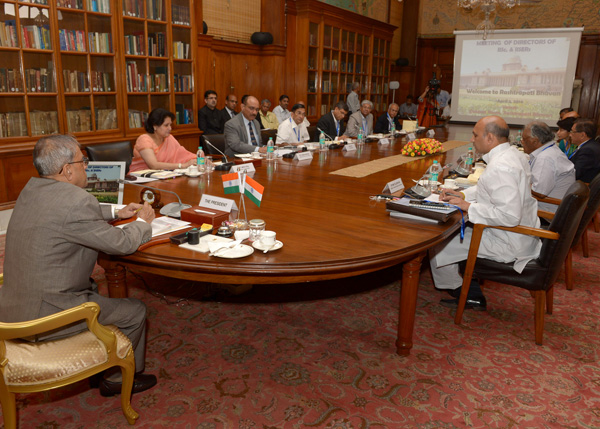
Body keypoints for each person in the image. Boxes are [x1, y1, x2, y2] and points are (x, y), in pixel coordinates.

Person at [0, 134, 158, 396]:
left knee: (93, 285)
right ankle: (118, 378)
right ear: (67, 170)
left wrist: (116, 212)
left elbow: (67, 216)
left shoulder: (31, 190)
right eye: (83, 161)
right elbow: (121, 244)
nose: (87, 166)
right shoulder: (75, 202)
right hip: (44, 315)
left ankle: (101, 367)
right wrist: (143, 223)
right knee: (135, 311)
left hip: (11, 306)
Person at [429, 116, 542, 311]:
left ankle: (468, 294)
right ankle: (466, 286)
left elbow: (509, 216)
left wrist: (467, 206)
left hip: (509, 240)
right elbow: (489, 189)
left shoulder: (501, 166)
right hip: (521, 233)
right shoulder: (514, 154)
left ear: (489, 138)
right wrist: (462, 193)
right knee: (453, 233)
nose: (472, 139)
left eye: (475, 135)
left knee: (438, 243)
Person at [521, 121, 575, 214]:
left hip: (547, 212)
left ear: (535, 141)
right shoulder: (550, 149)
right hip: (554, 206)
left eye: (524, 139)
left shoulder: (545, 158)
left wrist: (517, 182)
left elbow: (539, 192)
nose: (521, 141)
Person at [129, 108, 197, 172]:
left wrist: (199, 159)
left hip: (164, 175)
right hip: (141, 177)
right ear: (155, 126)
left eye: (170, 125)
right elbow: (153, 165)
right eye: (166, 125)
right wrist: (182, 165)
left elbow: (182, 154)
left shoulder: (169, 138)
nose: (170, 128)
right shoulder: (144, 140)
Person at [569, 118, 600, 183]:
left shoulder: (588, 150)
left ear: (582, 135)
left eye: (572, 131)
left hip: (581, 188)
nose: (570, 134)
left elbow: (575, 174)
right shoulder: (590, 145)